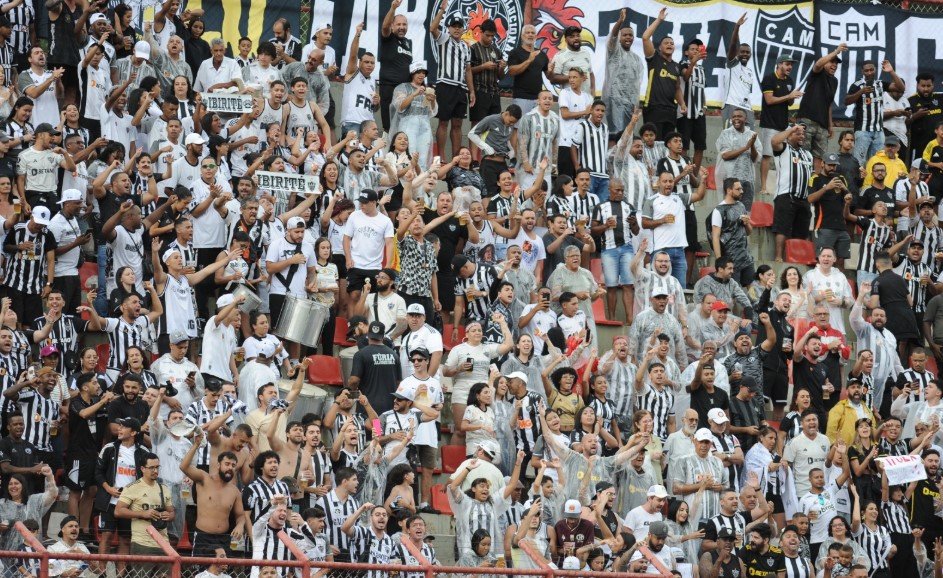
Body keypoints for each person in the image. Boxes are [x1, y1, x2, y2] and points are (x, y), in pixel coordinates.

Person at [430, 7, 473, 160]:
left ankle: (456, 158)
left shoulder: (466, 47)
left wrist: (472, 91)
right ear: (448, 28)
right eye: (454, 26)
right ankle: (441, 157)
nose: (456, 28)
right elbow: (432, 28)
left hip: (461, 88)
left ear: (463, 29)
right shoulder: (444, 39)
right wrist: (442, 9)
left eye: (459, 26)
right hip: (445, 85)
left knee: (458, 125)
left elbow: (468, 70)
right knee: (443, 122)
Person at [758, 55, 803, 196]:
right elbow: (769, 100)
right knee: (767, 155)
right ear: (779, 64)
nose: (790, 67)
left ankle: (781, 186)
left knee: (782, 156)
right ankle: (764, 187)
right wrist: (789, 96)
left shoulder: (790, 81)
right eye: (787, 64)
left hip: (783, 125)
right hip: (769, 123)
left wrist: (793, 97)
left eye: (791, 64)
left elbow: (789, 103)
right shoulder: (769, 78)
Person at [846, 60, 905, 165]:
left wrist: (891, 71)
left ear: (875, 70)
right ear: (862, 72)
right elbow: (846, 101)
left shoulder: (880, 84)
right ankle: (859, 182)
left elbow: (901, 88)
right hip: (863, 130)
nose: (869, 73)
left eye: (871, 70)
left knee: (877, 163)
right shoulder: (857, 85)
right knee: (859, 163)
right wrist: (861, 92)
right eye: (866, 71)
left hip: (879, 131)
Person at [798, 45, 846, 171]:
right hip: (807, 119)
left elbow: (829, 103)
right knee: (804, 154)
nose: (834, 65)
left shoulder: (834, 81)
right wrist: (836, 51)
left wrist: (830, 124)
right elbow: (818, 64)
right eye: (832, 62)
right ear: (826, 62)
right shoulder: (817, 73)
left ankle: (815, 183)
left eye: (836, 63)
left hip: (823, 125)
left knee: (819, 157)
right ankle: (804, 182)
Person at [640, 8, 684, 137]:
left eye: (672, 43)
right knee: (653, 143)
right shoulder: (654, 58)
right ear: (659, 47)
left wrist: (682, 104)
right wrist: (659, 20)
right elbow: (645, 37)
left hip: (671, 110)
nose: (669, 44)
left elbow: (677, 89)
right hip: (654, 108)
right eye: (666, 43)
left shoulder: (676, 66)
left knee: (667, 144)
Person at [602, 9, 644, 140]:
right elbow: (613, 36)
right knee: (615, 135)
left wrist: (635, 104)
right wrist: (620, 21)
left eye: (630, 35)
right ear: (620, 37)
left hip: (630, 103)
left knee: (628, 135)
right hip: (613, 101)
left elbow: (637, 84)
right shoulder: (613, 50)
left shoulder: (637, 59)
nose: (628, 37)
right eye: (625, 35)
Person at [715, 110, 760, 211]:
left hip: (748, 180)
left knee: (745, 213)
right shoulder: (726, 133)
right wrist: (745, 147)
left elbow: (755, 158)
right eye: (734, 116)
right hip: (731, 180)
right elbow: (725, 155)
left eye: (739, 116)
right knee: (729, 211)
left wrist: (752, 146)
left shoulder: (752, 135)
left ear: (745, 119)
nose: (736, 119)